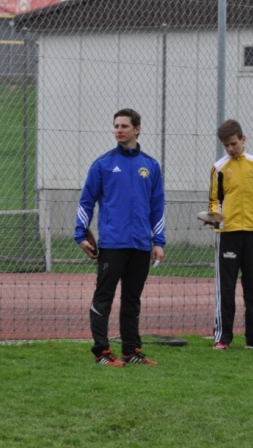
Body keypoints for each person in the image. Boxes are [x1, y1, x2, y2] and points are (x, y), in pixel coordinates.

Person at [75, 108, 165, 367]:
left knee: (132, 300)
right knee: (103, 298)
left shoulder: (151, 166)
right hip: (112, 244)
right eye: (116, 126)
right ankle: (102, 352)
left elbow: (157, 207)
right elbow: (86, 201)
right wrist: (80, 234)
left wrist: (158, 241)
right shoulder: (102, 164)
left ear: (137, 129)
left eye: (124, 126)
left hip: (141, 245)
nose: (118, 130)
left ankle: (131, 351)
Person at [209, 119, 253, 353]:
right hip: (227, 235)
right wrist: (213, 216)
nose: (230, 148)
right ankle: (222, 338)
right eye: (226, 145)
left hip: (252, 234)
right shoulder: (219, 167)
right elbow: (214, 199)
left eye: (233, 143)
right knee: (226, 289)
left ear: (243, 139)